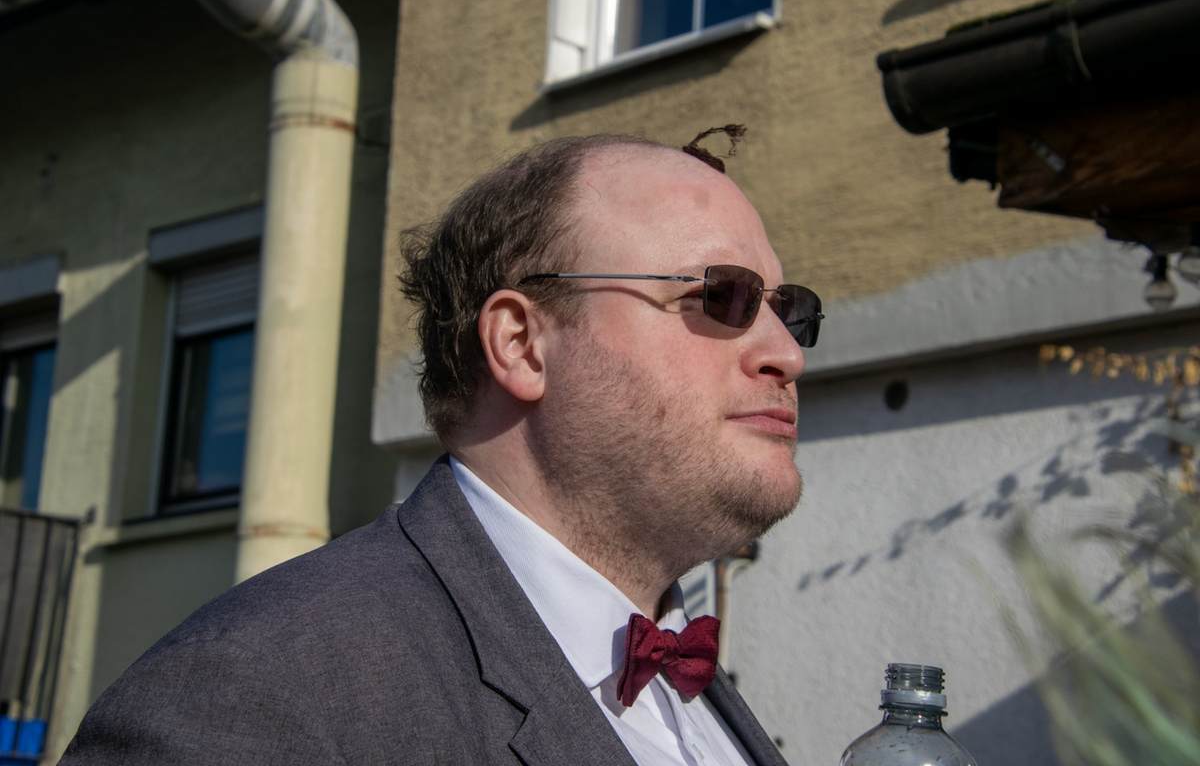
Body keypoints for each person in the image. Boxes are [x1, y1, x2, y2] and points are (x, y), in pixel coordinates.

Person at [60, 129, 823, 765]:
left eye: (788, 310)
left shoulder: (695, 695)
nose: (787, 353)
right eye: (722, 296)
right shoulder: (255, 697)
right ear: (521, 344)